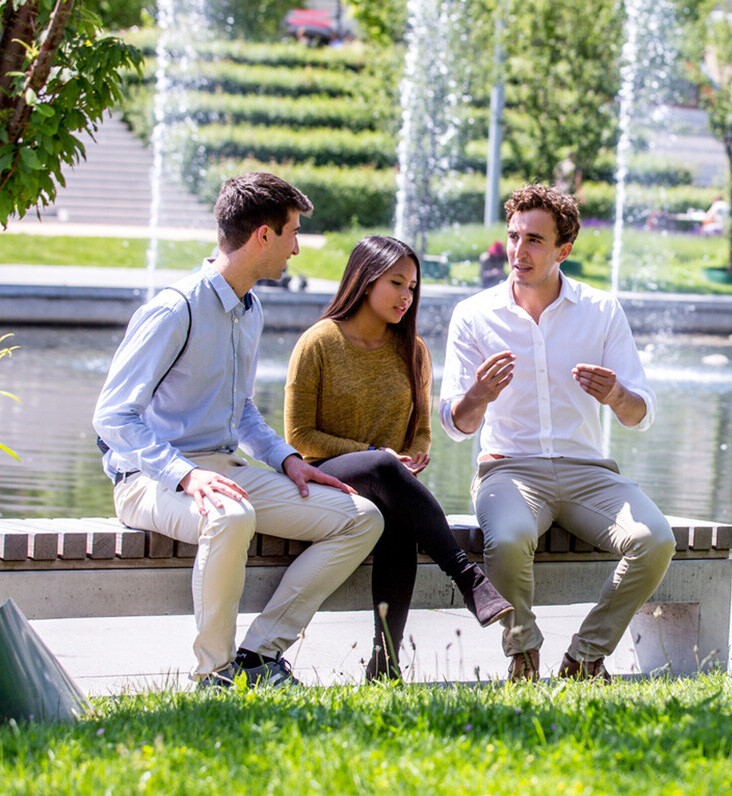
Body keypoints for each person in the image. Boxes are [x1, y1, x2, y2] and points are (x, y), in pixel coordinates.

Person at [93, 172, 385, 689]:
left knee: (361, 518)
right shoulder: (174, 308)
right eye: (292, 233)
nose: (296, 248)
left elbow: (243, 410)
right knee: (230, 517)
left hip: (226, 471)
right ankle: (214, 673)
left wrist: (286, 459)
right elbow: (113, 417)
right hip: (149, 479)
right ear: (263, 236)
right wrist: (185, 475)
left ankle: (260, 655)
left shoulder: (249, 309)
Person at [439, 184, 676, 683]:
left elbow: (641, 414)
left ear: (563, 250)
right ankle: (523, 653)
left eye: (535, 240)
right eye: (513, 236)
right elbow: (457, 427)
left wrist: (614, 396)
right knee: (507, 537)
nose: (518, 251)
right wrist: (478, 395)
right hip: (509, 470)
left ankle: (586, 656)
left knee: (654, 540)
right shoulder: (474, 314)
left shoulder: (602, 310)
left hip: (589, 473)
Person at [285, 235, 513, 681]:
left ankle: (385, 665)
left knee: (396, 523)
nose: (407, 297)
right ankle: (468, 578)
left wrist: (412, 455)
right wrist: (376, 456)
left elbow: (422, 431)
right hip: (326, 479)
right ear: (365, 280)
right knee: (382, 469)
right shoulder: (319, 343)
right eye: (396, 284)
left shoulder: (413, 350)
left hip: (388, 487)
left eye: (412, 287)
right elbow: (298, 435)